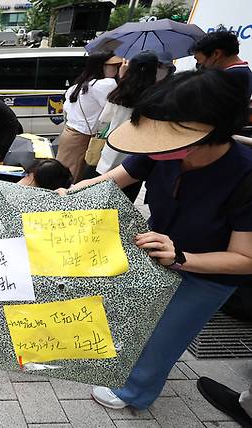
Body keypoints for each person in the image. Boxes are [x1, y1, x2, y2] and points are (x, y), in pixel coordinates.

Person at [59, 70, 252, 411]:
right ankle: (120, 363)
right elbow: (114, 178)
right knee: (138, 316)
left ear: (208, 129)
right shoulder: (161, 148)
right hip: (157, 251)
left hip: (208, 273)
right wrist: (68, 193)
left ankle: (135, 392)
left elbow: (244, 258)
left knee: (165, 336)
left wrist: (182, 258)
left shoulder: (245, 174)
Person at [95, 51, 160, 201]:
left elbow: (104, 119)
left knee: (102, 195)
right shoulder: (156, 96)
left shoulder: (119, 92)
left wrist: (122, 78)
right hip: (136, 154)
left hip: (113, 149)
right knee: (126, 199)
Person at [55, 51, 121, 182]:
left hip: (69, 134)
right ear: (100, 66)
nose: (116, 69)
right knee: (71, 178)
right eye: (113, 66)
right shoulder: (106, 84)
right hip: (81, 137)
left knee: (63, 175)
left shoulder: (78, 85)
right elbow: (117, 108)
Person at [193, 28, 252, 99]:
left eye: (198, 60)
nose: (199, 64)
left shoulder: (230, 76)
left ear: (216, 54)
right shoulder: (241, 71)